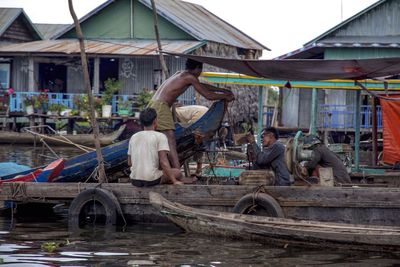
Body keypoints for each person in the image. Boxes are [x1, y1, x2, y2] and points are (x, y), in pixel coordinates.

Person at [148, 59, 235, 169]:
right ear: (198, 68)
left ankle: (161, 168)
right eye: (200, 70)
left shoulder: (181, 74)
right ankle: (177, 172)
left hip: (152, 104)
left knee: (155, 139)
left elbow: (201, 85)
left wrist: (222, 90)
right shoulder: (190, 77)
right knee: (170, 140)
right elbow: (208, 95)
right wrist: (225, 96)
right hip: (161, 107)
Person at [127, 107, 183, 187]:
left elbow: (130, 163)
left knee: (160, 171)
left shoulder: (134, 137)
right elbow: (163, 162)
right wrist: (174, 181)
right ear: (155, 121)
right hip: (151, 180)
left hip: (135, 180)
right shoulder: (160, 136)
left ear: (141, 122)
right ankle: (170, 181)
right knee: (178, 173)